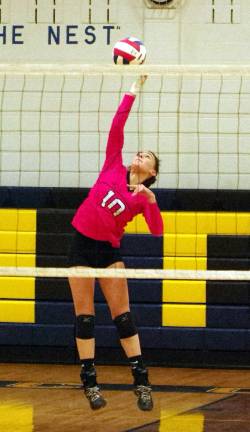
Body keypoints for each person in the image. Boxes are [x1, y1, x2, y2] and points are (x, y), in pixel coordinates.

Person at [68, 75, 163, 411]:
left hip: (108, 252)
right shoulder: (112, 164)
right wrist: (132, 92)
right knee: (85, 318)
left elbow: (157, 232)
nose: (139, 155)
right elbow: (117, 126)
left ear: (151, 172)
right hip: (81, 243)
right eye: (139, 153)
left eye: (146, 156)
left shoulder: (142, 196)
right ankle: (90, 384)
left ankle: (142, 383)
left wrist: (151, 200)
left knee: (122, 317)